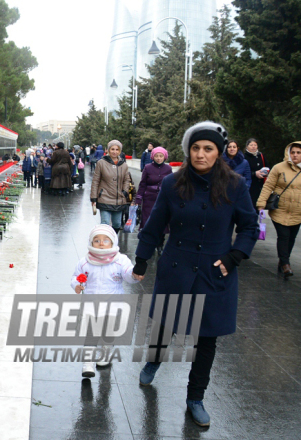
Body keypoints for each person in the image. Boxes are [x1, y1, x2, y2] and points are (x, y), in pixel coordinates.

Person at [132, 121, 259, 428]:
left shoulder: (234, 185)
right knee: (165, 325)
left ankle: (195, 398)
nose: (201, 154)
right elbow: (155, 224)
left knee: (207, 339)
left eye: (208, 149)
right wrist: (141, 260)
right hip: (177, 264)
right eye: (196, 148)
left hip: (216, 272)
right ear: (188, 151)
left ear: (218, 153)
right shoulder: (173, 184)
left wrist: (234, 256)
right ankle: (154, 360)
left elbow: (249, 227)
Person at [70, 224, 140, 378]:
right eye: (96, 240)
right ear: (91, 243)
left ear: (113, 242)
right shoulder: (85, 262)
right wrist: (77, 285)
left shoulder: (120, 260)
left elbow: (128, 274)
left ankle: (105, 354)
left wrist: (134, 275)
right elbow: (76, 277)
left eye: (105, 240)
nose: (101, 243)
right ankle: (87, 363)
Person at [256, 141, 301, 279]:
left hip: (298, 211)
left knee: (292, 238)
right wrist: (261, 203)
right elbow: (268, 186)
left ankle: (282, 261)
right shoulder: (279, 168)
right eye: (292, 152)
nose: (295, 155)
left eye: (298, 153)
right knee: (283, 236)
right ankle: (286, 264)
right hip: (280, 209)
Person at [133, 146, 173, 252]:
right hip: (149, 199)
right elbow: (142, 184)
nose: (159, 158)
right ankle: (149, 243)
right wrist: (138, 199)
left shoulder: (168, 169)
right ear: (153, 157)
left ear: (164, 157)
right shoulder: (147, 168)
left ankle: (160, 244)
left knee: (162, 222)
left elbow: (171, 185)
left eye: (161, 156)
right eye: (156, 156)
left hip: (163, 200)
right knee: (148, 222)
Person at [91, 140, 131, 233]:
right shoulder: (101, 163)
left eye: (117, 149)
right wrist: (93, 198)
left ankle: (112, 240)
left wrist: (125, 191)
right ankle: (105, 244)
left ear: (120, 151)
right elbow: (95, 181)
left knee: (117, 224)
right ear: (108, 150)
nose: (114, 151)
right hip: (105, 197)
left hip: (119, 198)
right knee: (104, 223)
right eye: (112, 149)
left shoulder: (123, 165)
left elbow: (127, 179)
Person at [243, 138, 268, 209]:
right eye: (251, 145)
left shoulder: (261, 156)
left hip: (261, 185)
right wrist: (254, 173)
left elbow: (267, 166)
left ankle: (259, 218)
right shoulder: (244, 157)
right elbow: (242, 172)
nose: (253, 146)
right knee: (250, 206)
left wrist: (265, 172)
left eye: (255, 145)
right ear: (247, 146)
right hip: (250, 186)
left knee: (259, 207)